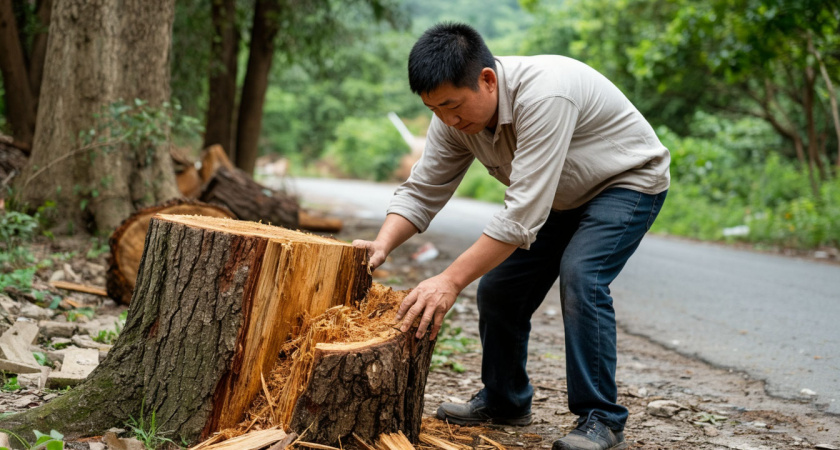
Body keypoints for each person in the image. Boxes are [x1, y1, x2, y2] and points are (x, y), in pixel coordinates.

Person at [353, 22, 669, 450]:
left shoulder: (545, 95)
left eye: (452, 106)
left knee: (583, 275)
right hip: (558, 197)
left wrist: (448, 280)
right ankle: (505, 401)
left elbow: (520, 216)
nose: (447, 119)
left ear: (487, 80)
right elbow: (423, 190)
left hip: (626, 182)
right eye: (434, 109)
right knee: (500, 289)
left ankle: (602, 420)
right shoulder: (452, 119)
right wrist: (382, 244)